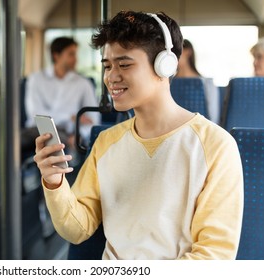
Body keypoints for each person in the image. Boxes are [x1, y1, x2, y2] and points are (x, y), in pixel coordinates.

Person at [34, 11, 243, 260]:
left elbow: (214, 256)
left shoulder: (216, 146)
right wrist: (55, 182)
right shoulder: (106, 142)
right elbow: (76, 230)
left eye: (124, 65)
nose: (111, 77)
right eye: (108, 66)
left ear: (164, 65)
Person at [24, 36, 100, 155]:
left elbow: (93, 119)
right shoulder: (36, 79)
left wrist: (78, 136)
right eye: (71, 54)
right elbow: (35, 114)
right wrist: (70, 117)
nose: (76, 59)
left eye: (75, 54)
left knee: (61, 143)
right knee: (12, 140)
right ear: (56, 56)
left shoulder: (83, 84)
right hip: (35, 131)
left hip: (67, 133)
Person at [176, 39, 220, 124]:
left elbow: (213, 117)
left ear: (188, 52)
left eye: (175, 51)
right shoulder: (166, 83)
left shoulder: (207, 84)